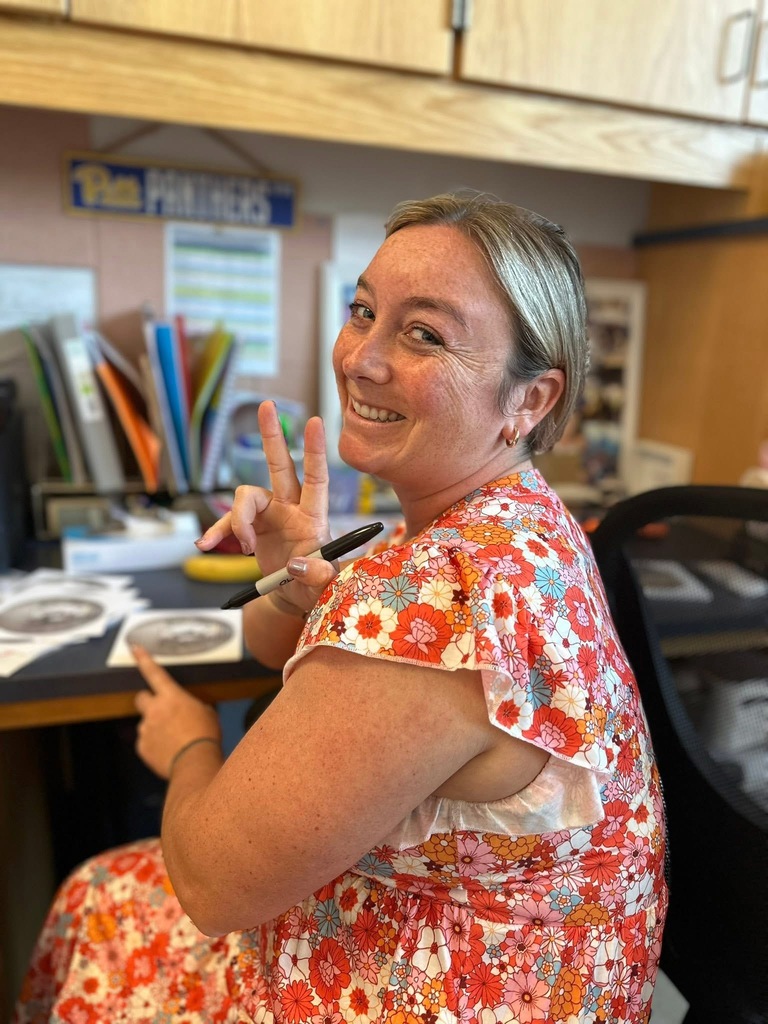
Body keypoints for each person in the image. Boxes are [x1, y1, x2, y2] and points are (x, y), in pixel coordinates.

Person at [15, 191, 667, 1024]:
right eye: (364, 311)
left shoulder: (449, 586)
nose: (361, 358)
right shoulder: (520, 521)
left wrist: (186, 748)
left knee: (98, 896)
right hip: (538, 974)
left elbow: (213, 886)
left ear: (531, 400)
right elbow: (265, 646)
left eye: (425, 333)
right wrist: (291, 571)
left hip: (450, 990)